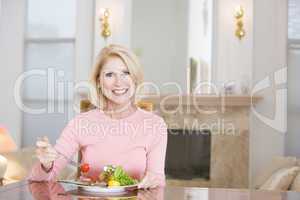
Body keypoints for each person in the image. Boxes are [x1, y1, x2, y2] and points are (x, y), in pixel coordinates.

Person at [28, 44, 168, 189]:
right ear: (98, 81)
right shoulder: (81, 123)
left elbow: (157, 180)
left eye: (126, 73)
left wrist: (153, 182)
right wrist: (46, 165)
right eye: (109, 75)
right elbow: (39, 180)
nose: (119, 82)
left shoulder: (155, 125)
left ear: (135, 79)